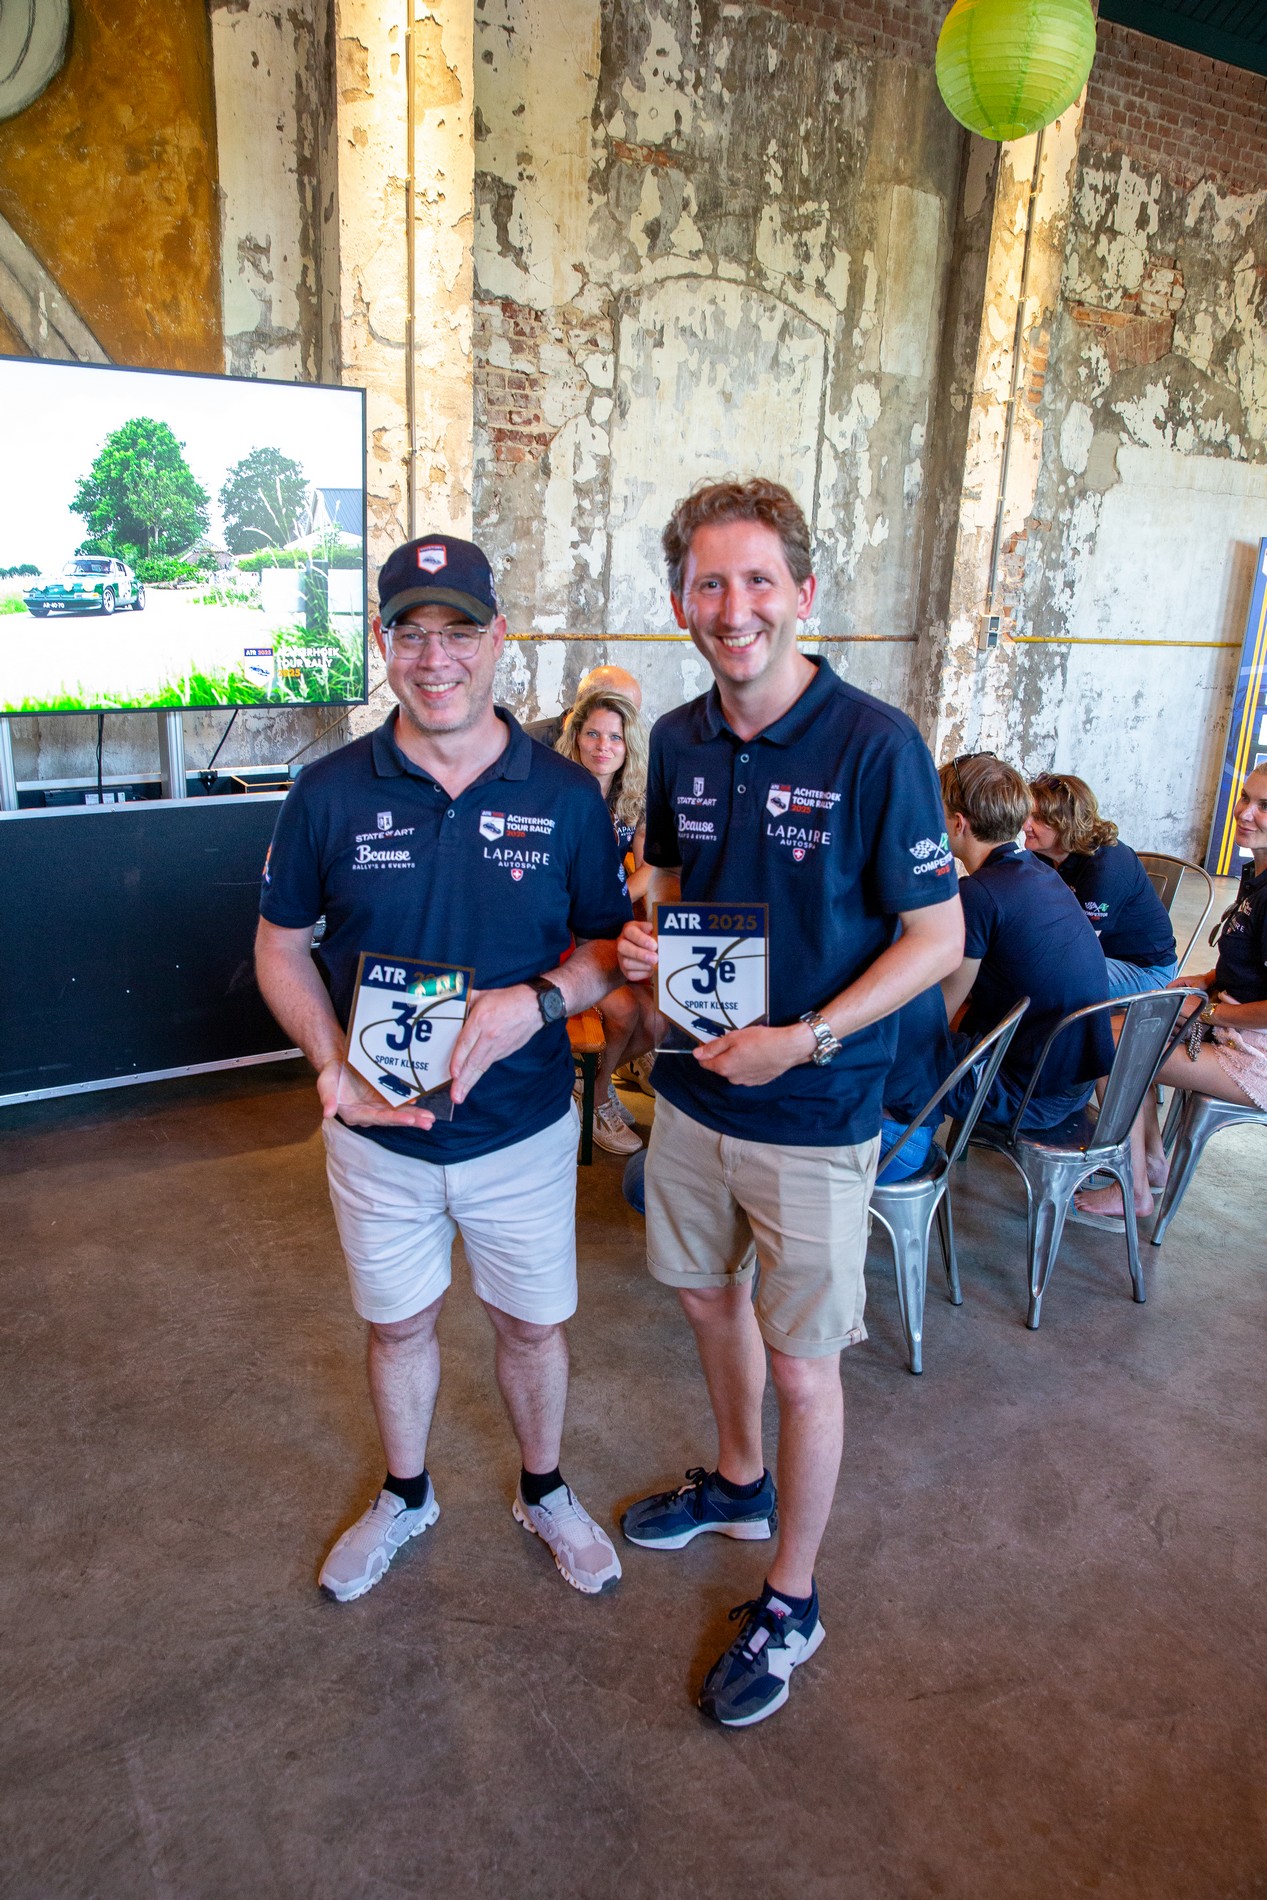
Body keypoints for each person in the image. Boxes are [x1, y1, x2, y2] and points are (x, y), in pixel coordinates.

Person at [615, 477, 964, 1728]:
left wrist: (802, 1039)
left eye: (757, 580)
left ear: (802, 592)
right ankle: (738, 1480)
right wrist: (646, 940)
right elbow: (666, 878)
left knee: (804, 1365)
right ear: (680, 603)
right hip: (694, 1094)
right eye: (708, 584)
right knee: (706, 1300)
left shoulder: (875, 743)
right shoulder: (675, 738)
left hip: (816, 1109)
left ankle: (793, 1597)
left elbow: (936, 936)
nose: (734, 608)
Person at [255, 532, 631, 1604]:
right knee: (398, 1324)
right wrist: (329, 1064)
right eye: (410, 633)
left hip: (523, 1129)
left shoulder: (565, 795)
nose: (435, 659)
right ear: (382, 644)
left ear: (497, 638)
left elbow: (606, 947)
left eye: (457, 632)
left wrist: (537, 1000)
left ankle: (544, 1489)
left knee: (531, 1325)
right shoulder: (327, 790)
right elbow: (279, 945)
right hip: (377, 1134)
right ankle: (406, 1492)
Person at [1074, 764, 1267, 1226]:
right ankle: (1151, 1161)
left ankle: (1134, 1188)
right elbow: (1248, 965)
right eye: (1245, 798)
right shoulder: (1256, 872)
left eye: (1264, 806)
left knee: (1112, 1043)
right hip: (1229, 1023)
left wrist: (1211, 1012)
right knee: (1123, 1027)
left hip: (1254, 1051)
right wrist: (1204, 979)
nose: (1245, 812)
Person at [555, 687, 657, 1155]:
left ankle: (590, 1083)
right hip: (563, 931)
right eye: (593, 734)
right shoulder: (555, 793)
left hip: (607, 924)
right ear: (576, 737)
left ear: (627, 745)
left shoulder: (631, 796)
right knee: (624, 1011)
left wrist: (613, 901)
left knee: (658, 1019)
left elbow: (651, 868)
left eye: (614, 737)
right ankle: (597, 1100)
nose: (603, 746)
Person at [1023, 773, 1177, 997]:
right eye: (1027, 814)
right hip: (1101, 955)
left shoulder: (1104, 868)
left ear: (1065, 824)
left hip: (1144, 970)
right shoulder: (1046, 854)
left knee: (1040, 981)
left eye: (1037, 818)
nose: (1025, 825)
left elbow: (1078, 949)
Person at [524, 664, 643, 751]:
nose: (631, 725)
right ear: (588, 704)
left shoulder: (633, 752)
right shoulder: (527, 743)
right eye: (624, 714)